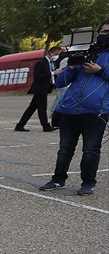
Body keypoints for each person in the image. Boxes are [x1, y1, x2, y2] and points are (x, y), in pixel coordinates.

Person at [39, 19, 109, 196]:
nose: (105, 35)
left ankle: (88, 183)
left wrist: (100, 70)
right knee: (64, 149)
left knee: (91, 150)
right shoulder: (85, 52)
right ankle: (58, 179)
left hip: (96, 111)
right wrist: (71, 66)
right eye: (104, 31)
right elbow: (61, 82)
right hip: (70, 109)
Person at [15, 46, 61, 133]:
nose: (57, 56)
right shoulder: (41, 63)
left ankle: (20, 125)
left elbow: (51, 74)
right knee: (42, 108)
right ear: (50, 53)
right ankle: (45, 126)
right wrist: (52, 73)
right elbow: (37, 76)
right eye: (56, 54)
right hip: (40, 88)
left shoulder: (52, 63)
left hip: (46, 87)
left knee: (32, 108)